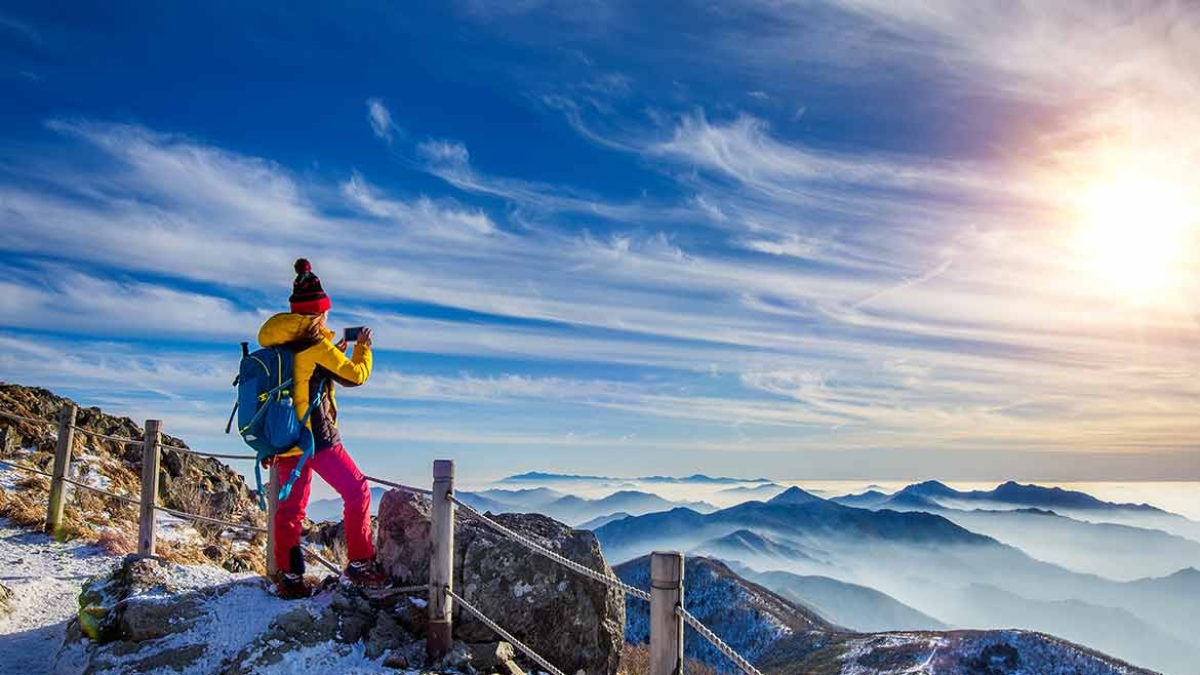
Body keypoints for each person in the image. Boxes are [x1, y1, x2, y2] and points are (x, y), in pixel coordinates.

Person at [257, 258, 387, 598]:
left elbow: (303, 378)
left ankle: (289, 579)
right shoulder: (316, 345)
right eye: (325, 312)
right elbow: (355, 376)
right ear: (318, 312)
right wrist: (363, 348)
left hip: (284, 437)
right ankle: (360, 563)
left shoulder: (278, 344)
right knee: (357, 490)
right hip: (316, 438)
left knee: (290, 510)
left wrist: (333, 354)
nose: (328, 317)